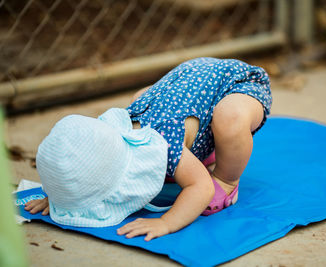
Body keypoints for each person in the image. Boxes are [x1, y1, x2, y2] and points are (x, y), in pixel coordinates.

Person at [24, 57, 272, 241]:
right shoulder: (108, 128)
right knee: (141, 96)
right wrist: (61, 196)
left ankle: (228, 179)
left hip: (238, 84)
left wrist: (166, 223)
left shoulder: (165, 144)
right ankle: (206, 144)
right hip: (191, 82)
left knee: (229, 118)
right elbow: (81, 156)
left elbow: (201, 187)